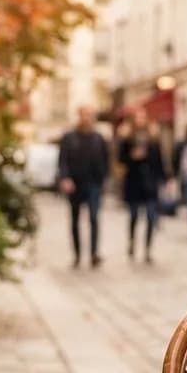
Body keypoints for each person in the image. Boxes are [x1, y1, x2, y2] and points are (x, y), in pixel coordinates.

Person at [55, 106, 109, 268]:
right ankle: (77, 255)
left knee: (93, 218)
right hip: (75, 184)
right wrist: (65, 178)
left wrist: (103, 179)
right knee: (75, 220)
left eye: (89, 115)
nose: (86, 118)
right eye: (83, 115)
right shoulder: (69, 137)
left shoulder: (98, 138)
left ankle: (93, 254)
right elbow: (62, 160)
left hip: (93, 183)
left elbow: (105, 160)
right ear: (79, 116)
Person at [117, 108, 165, 263]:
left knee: (151, 217)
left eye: (143, 117)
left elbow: (159, 160)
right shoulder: (127, 138)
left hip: (150, 183)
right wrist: (132, 157)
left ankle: (147, 249)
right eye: (138, 117)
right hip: (133, 183)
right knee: (134, 216)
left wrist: (163, 179)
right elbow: (120, 159)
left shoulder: (153, 138)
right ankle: (132, 242)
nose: (141, 120)